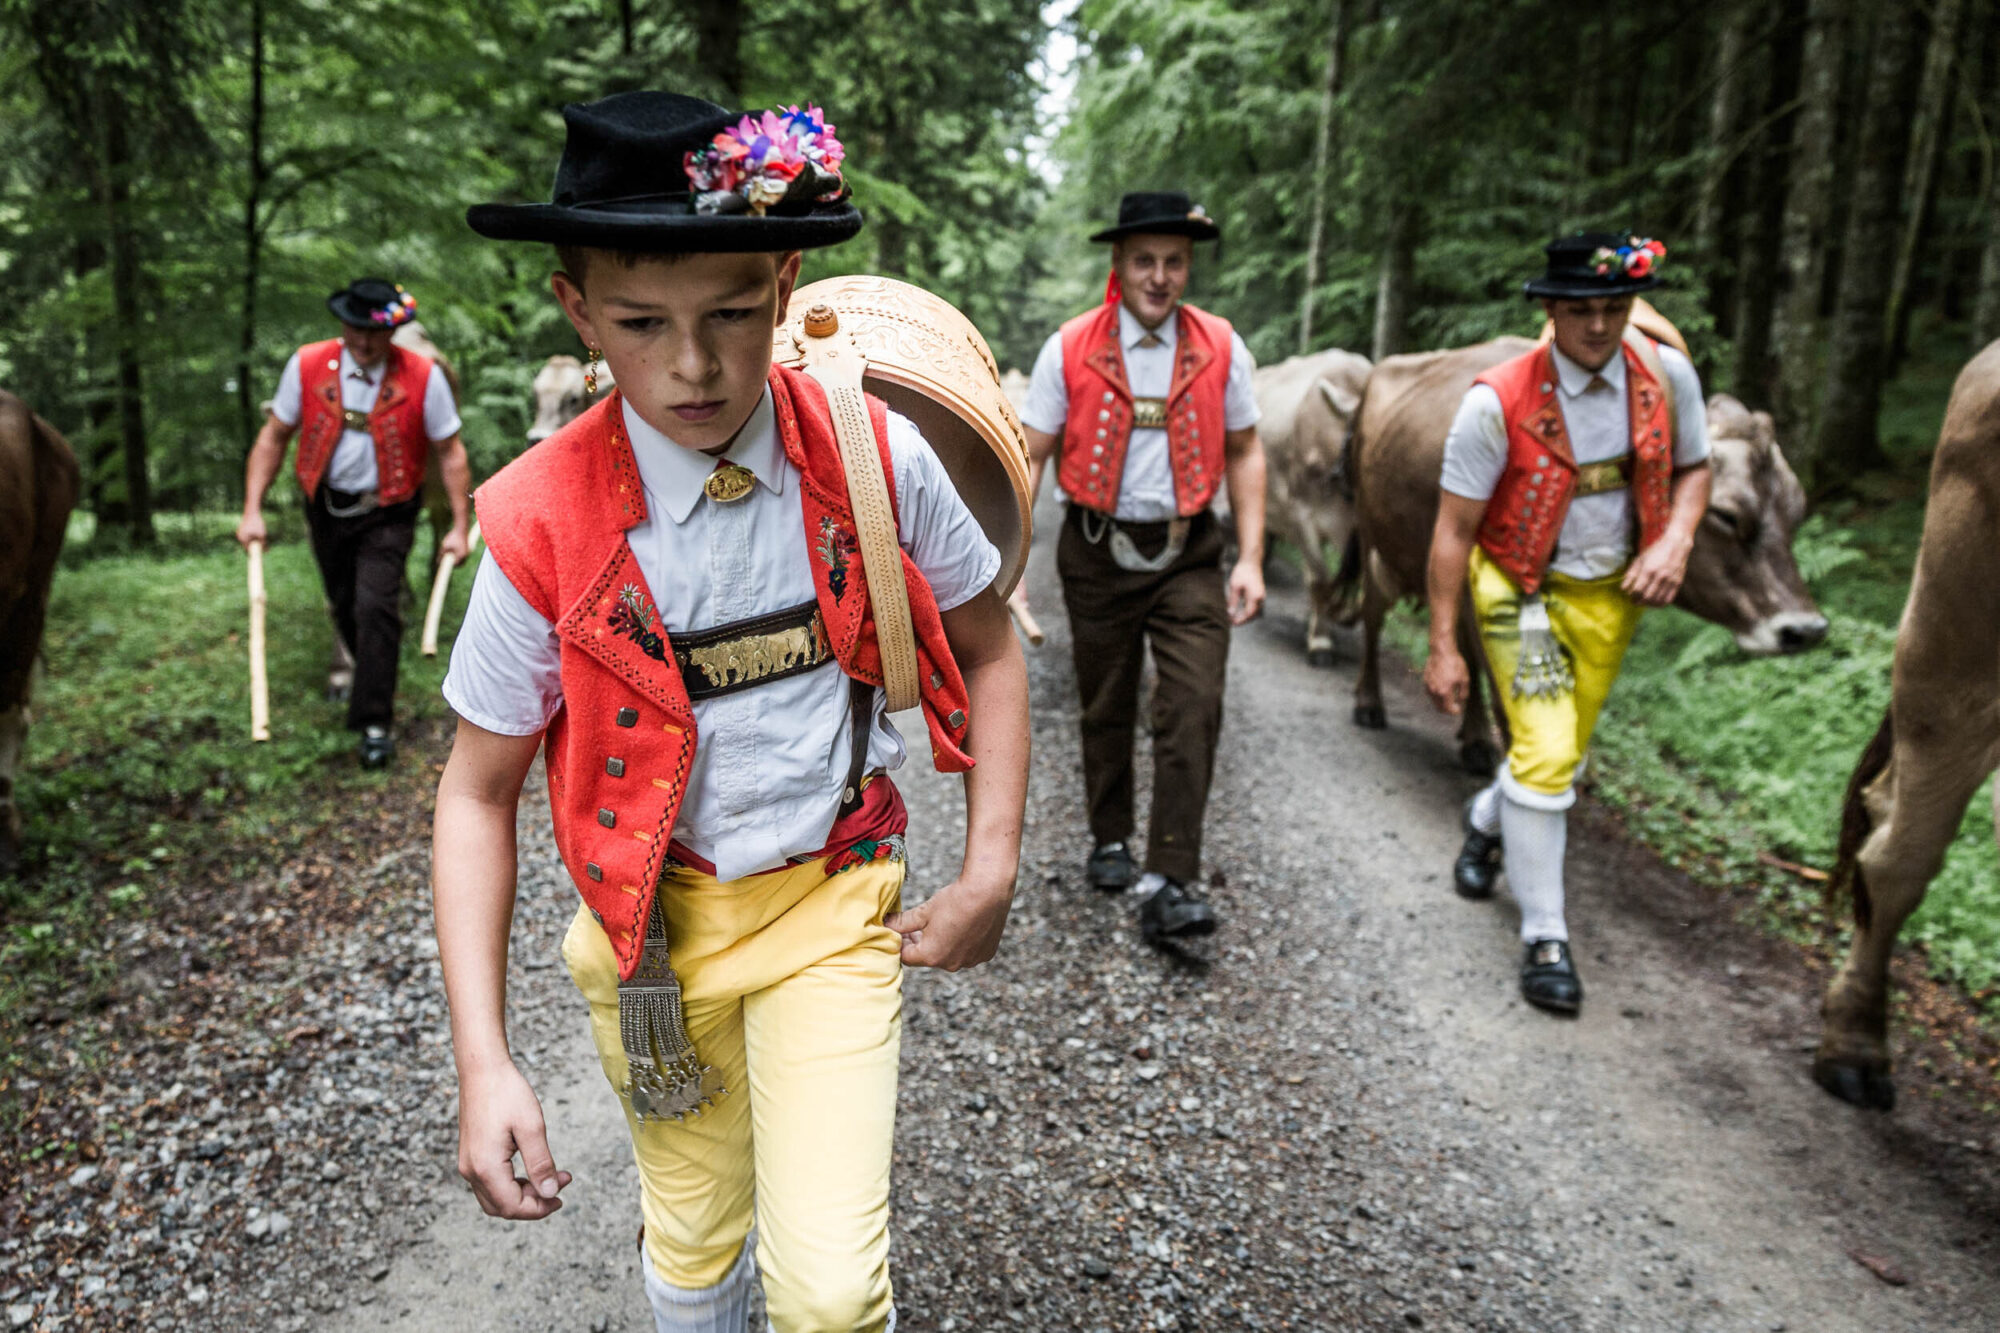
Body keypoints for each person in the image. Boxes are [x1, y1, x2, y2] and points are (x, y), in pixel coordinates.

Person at [435, 90, 1030, 1332]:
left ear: (786, 280)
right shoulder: (537, 527)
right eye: (642, 324)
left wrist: (989, 867)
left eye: (731, 316)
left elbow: (989, 646)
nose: (692, 366)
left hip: (830, 904)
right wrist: (483, 1058)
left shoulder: (872, 456)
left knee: (827, 1291)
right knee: (696, 1243)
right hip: (652, 949)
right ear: (578, 310)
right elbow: (476, 789)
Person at [1424, 232, 1711, 1015]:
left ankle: (1486, 821)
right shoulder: (1494, 402)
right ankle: (1546, 936)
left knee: (1554, 758)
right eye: (1581, 310)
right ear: (1549, 311)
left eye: (1614, 308)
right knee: (1549, 755)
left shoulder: (1667, 377)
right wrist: (1444, 643)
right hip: (1518, 589)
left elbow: (1694, 467)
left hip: (1612, 594)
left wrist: (1676, 539)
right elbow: (1453, 530)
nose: (1598, 326)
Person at [1015, 190, 1267, 945]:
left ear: (1188, 267)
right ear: (1119, 265)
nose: (1160, 275)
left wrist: (1251, 555)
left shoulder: (1224, 345)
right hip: (1094, 551)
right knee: (1106, 700)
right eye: (1145, 260)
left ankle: (1171, 872)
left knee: (1193, 700)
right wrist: (1009, 561)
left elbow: (1248, 449)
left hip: (1190, 552)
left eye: (1174, 261)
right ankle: (1111, 836)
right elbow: (1030, 455)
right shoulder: (1068, 347)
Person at [235, 278, 471, 768]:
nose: (364, 343)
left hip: (389, 511)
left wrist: (457, 524)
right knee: (343, 604)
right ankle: (371, 678)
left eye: (374, 334)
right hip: (325, 507)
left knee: (375, 607)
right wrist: (252, 510)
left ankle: (374, 723)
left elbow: (449, 451)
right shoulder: (307, 365)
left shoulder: (423, 376)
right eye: (355, 331)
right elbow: (274, 436)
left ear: (392, 331)